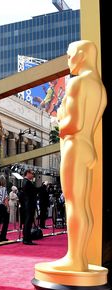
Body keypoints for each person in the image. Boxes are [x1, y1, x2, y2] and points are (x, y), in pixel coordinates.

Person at [50, 41, 107, 271]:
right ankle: (80, 256)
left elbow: (72, 124)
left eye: (69, 55)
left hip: (74, 145)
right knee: (83, 205)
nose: (68, 60)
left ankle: (75, 257)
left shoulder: (77, 84)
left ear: (81, 55)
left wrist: (60, 117)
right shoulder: (99, 88)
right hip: (88, 147)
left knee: (74, 203)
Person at [20, 169, 38, 245]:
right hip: (29, 204)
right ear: (27, 173)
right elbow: (34, 191)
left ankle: (26, 238)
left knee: (28, 222)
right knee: (28, 222)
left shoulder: (25, 182)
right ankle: (27, 239)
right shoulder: (27, 182)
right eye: (32, 173)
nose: (33, 175)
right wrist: (43, 186)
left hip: (27, 204)